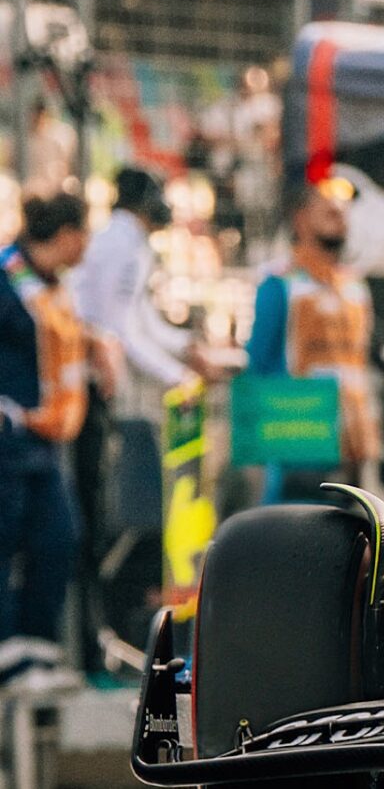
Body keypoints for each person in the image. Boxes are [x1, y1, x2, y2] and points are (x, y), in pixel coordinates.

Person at [70, 167, 208, 674]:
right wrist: (178, 372)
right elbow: (119, 331)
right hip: (92, 396)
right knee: (100, 522)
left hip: (102, 395)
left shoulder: (129, 242)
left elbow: (139, 319)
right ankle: (91, 641)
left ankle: (96, 637)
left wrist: (184, 348)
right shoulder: (122, 244)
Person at [0, 194, 90, 691]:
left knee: (58, 538)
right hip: (10, 439)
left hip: (46, 440)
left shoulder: (54, 285)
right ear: (67, 235)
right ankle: (10, 659)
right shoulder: (7, 278)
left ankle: (38, 652)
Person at [246, 175, 378, 499]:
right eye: (330, 210)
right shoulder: (281, 283)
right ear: (301, 218)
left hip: (350, 443)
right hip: (300, 439)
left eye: (344, 211)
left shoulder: (354, 287)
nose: (341, 217)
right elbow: (259, 363)